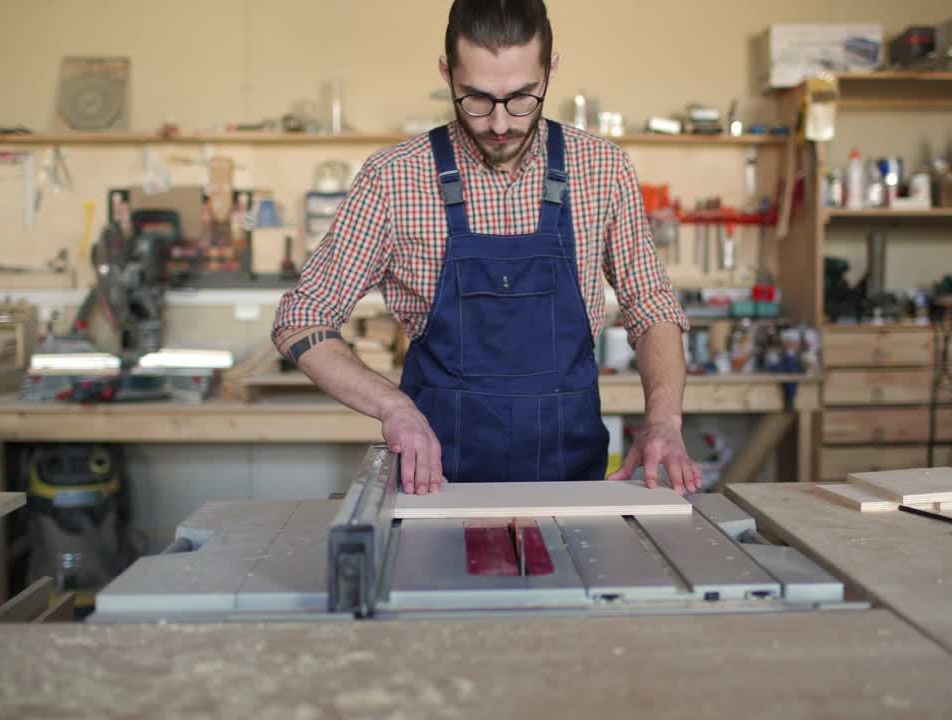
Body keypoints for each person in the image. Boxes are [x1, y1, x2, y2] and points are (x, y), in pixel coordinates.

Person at [272, 0, 701, 496]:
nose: (500, 124)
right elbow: (301, 317)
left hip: (573, 489)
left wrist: (664, 419)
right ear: (446, 72)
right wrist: (393, 407)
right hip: (434, 490)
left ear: (551, 69)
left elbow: (651, 308)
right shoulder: (394, 178)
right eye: (475, 99)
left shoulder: (602, 169)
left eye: (522, 98)